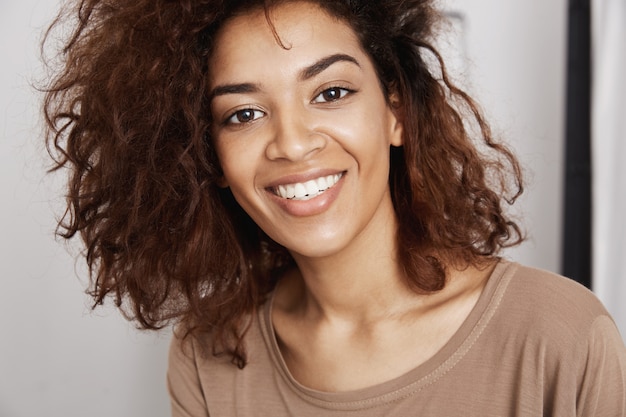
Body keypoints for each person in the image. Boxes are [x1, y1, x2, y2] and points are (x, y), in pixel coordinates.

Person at [43, 0, 626, 415]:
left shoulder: (558, 335)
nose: (293, 143)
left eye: (331, 93)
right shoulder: (210, 353)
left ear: (396, 111)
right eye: (243, 114)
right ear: (209, 157)